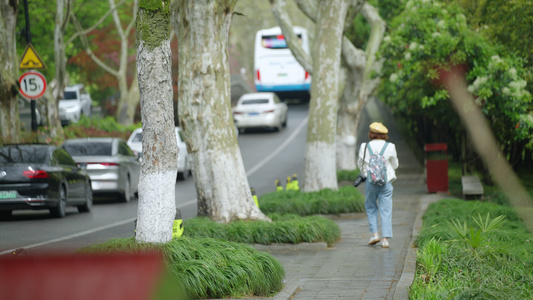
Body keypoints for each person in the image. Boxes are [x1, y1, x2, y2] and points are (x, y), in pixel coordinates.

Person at [357, 122, 399, 248]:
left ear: (371, 134)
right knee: (386, 209)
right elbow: (396, 165)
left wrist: (366, 172)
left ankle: (375, 234)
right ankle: (385, 240)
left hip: (370, 181)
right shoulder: (390, 146)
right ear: (384, 135)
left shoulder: (364, 146)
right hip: (386, 182)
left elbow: (360, 163)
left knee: (371, 207)